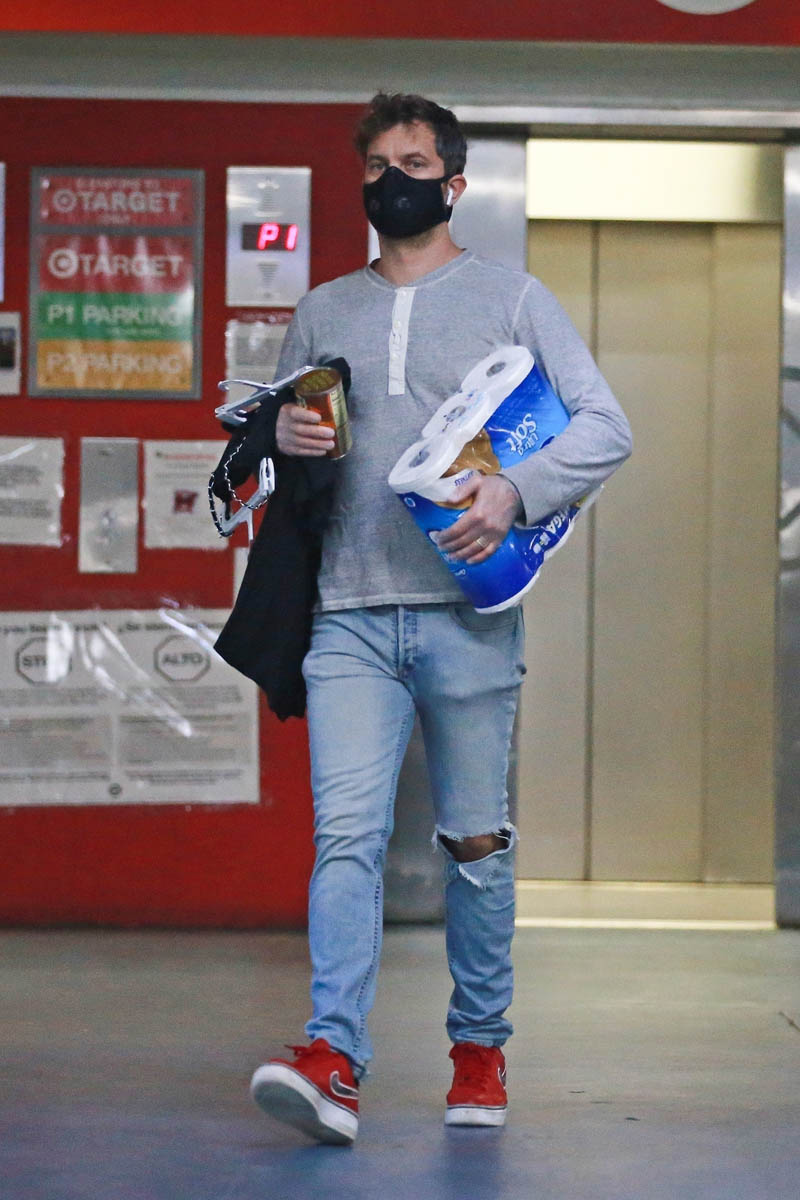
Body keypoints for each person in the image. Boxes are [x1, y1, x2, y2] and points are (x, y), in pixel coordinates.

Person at [248, 92, 632, 1146]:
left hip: (467, 614)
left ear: (454, 183)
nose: (392, 181)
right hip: (347, 613)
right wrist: (284, 435)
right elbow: (284, 445)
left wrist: (515, 491)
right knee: (345, 837)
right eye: (376, 165)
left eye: (413, 163)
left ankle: (478, 1046)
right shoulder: (324, 308)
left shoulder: (512, 299)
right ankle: (332, 1057)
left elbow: (606, 426)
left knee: (473, 842)